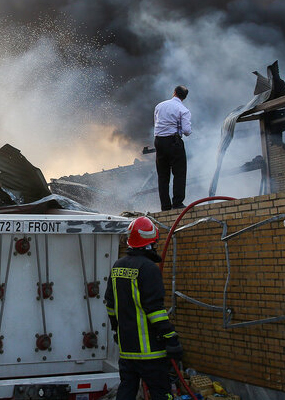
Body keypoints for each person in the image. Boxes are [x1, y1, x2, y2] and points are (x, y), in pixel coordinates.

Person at [105, 216, 183, 400]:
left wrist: (117, 329)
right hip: (150, 353)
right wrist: (170, 338)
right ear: (149, 244)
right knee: (161, 393)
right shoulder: (149, 268)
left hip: (127, 350)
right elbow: (155, 310)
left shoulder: (117, 267)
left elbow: (110, 305)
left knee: (126, 391)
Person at [154, 85, 192, 211]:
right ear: (184, 97)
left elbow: (156, 122)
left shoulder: (159, 106)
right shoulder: (183, 110)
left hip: (159, 141)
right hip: (174, 142)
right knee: (179, 173)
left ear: (174, 92)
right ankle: (177, 203)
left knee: (163, 175)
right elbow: (187, 131)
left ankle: (165, 206)